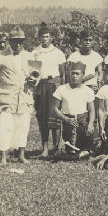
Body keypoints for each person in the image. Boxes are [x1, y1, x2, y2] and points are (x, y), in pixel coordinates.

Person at [0, 28, 33, 163]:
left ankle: (21, 155)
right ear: (9, 42)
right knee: (5, 126)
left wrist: (32, 81)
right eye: (14, 42)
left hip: (24, 96)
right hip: (6, 96)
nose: (18, 45)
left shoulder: (29, 56)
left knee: (23, 126)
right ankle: (3, 157)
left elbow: (36, 74)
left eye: (20, 42)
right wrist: (4, 86)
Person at [30, 24, 66, 155]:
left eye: (47, 37)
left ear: (52, 38)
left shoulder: (58, 53)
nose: (45, 39)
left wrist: (62, 90)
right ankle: (45, 148)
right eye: (42, 37)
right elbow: (33, 73)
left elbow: (63, 74)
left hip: (54, 86)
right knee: (42, 118)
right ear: (39, 38)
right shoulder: (35, 53)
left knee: (55, 117)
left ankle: (56, 147)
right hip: (41, 86)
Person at [51, 62, 97, 158]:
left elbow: (92, 110)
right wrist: (66, 119)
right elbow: (54, 108)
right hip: (68, 121)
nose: (74, 76)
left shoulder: (88, 90)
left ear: (83, 75)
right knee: (70, 149)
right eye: (72, 73)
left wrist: (91, 124)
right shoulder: (62, 89)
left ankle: (84, 151)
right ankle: (75, 153)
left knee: (94, 139)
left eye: (77, 74)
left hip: (83, 121)